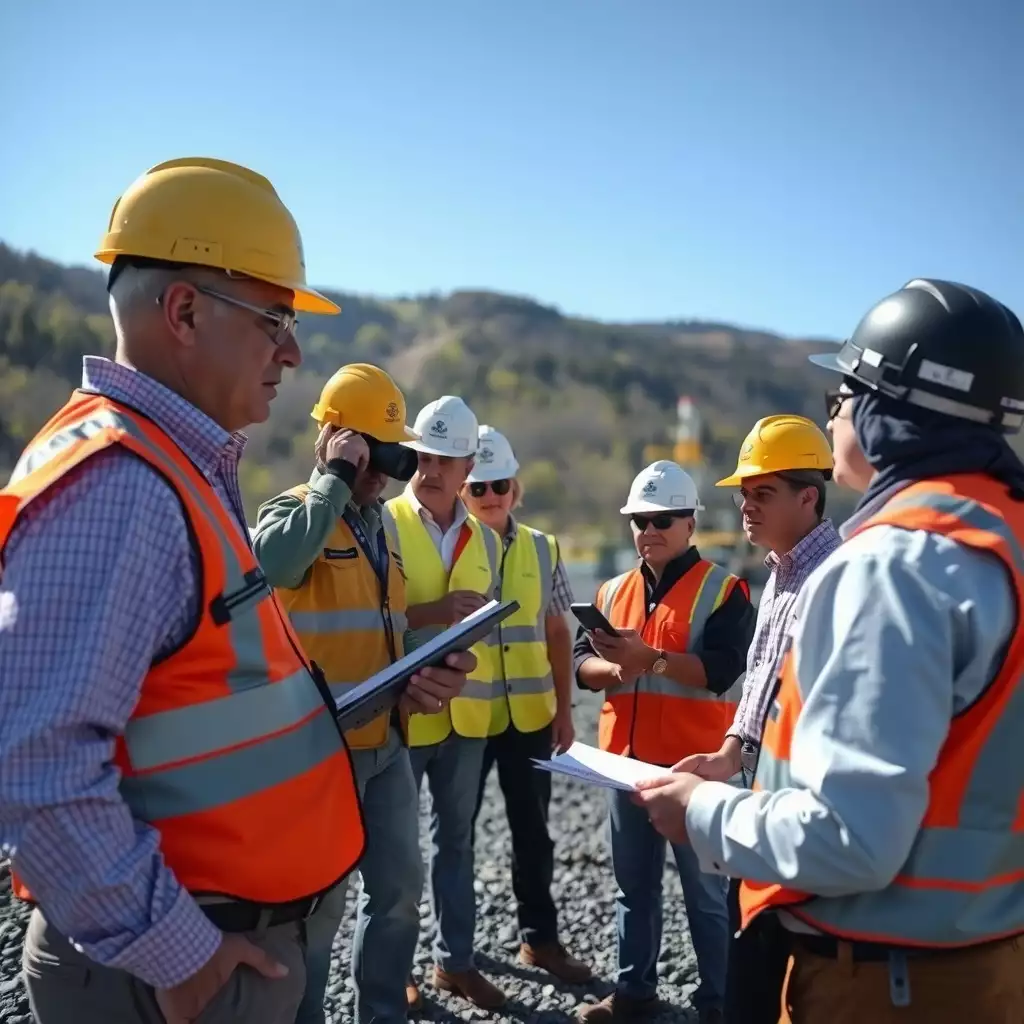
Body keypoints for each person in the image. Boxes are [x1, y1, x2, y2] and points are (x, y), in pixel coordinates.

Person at [0, 157, 474, 1024]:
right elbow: (36, 764)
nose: (292, 352)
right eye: (274, 321)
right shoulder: (119, 487)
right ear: (183, 312)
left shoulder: (178, 470)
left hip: (231, 944)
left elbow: (217, 696)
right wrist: (180, 959)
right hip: (178, 967)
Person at [634, 278, 1024, 1023]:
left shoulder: (892, 565)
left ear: (887, 412)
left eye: (842, 396)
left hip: (888, 980)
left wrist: (704, 811)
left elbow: (850, 839)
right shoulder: (1002, 541)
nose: (837, 412)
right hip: (990, 956)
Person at [252, 363, 440, 1024]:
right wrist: (332, 480)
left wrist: (422, 676)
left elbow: (382, 630)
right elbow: (274, 563)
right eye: (376, 454)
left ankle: (381, 1014)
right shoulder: (295, 512)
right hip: (321, 751)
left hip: (386, 742)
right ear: (339, 441)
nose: (390, 471)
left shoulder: (380, 525)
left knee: (398, 892)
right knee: (319, 910)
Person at [573, 461, 756, 1024]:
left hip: (693, 770)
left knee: (706, 897)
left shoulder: (725, 589)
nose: (649, 530)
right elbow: (581, 664)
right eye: (639, 520)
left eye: (663, 519)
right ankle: (634, 995)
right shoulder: (612, 589)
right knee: (634, 888)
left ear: (690, 524)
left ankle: (720, 1004)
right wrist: (616, 669)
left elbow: (724, 669)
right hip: (622, 764)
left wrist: (648, 659)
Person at [673, 415, 839, 1023]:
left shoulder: (836, 581)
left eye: (761, 493)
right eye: (743, 493)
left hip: (803, 812)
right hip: (764, 797)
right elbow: (763, 678)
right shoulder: (779, 573)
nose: (746, 507)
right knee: (751, 975)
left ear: (809, 497)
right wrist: (731, 749)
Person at [381, 396, 507, 1010]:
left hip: (468, 714)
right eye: (423, 456)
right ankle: (394, 971)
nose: (430, 470)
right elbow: (372, 617)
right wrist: (436, 614)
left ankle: (454, 962)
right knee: (399, 856)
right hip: (405, 712)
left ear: (467, 468)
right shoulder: (384, 521)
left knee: (458, 845)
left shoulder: (484, 535)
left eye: (445, 460)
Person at [461, 425, 593, 984]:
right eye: (478, 487)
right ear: (463, 493)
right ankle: (455, 951)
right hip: (464, 718)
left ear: (515, 488)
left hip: (530, 718)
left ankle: (539, 940)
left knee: (534, 833)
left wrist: (564, 711)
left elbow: (558, 632)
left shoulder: (542, 547)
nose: (490, 496)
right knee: (454, 836)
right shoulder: (450, 541)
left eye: (499, 485)